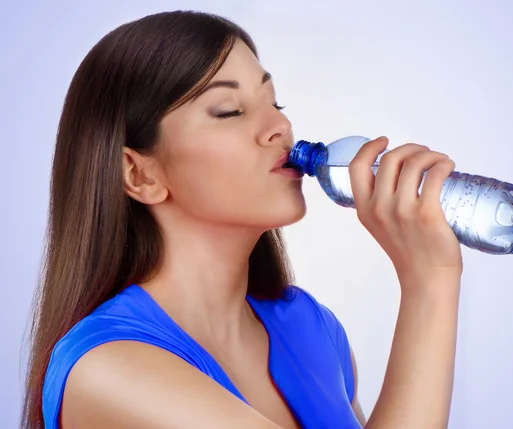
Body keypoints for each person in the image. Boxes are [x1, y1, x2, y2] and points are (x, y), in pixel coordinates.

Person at [21, 10, 463, 429]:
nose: (279, 127)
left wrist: (435, 276)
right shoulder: (107, 370)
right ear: (140, 174)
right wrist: (430, 281)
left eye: (276, 102)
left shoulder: (311, 325)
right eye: (229, 111)